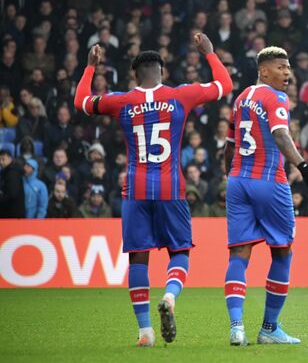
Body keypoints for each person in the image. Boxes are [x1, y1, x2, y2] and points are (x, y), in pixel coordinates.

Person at [73, 33, 233, 346]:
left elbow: (81, 102)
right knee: (180, 251)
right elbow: (224, 86)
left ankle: (145, 331)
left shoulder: (122, 101)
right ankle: (170, 297)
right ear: (162, 71)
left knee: (138, 258)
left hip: (134, 191)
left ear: (135, 75)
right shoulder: (180, 95)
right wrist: (210, 54)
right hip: (171, 188)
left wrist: (90, 67)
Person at [223, 46, 308, 346]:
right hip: (269, 181)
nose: (288, 74)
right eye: (281, 67)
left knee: (239, 253)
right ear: (264, 70)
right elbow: (281, 134)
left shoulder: (242, 98)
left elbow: (229, 145)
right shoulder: (275, 97)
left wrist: (227, 176)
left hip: (237, 181)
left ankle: (237, 326)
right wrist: (305, 168)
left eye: (289, 68)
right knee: (282, 251)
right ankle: (269, 328)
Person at [0, 149, 25, 218]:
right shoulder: (7, 171)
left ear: (10, 158)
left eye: (3, 159)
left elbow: (12, 194)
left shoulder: (13, 172)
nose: (1, 162)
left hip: (12, 214)